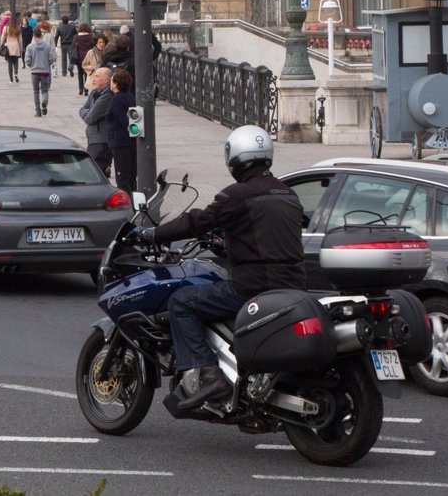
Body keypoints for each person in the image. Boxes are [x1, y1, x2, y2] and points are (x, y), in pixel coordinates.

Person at [127, 125, 305, 412]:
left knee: (182, 302)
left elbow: (196, 221)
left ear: (234, 158)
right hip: (293, 286)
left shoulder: (238, 195)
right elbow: (264, 236)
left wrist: (152, 234)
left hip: (253, 286)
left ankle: (208, 374)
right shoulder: (288, 194)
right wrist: (227, 246)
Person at [105, 69, 137, 192]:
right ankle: (134, 203)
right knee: (131, 177)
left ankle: (127, 205)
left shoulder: (117, 99)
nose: (110, 83)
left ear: (117, 83)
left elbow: (124, 121)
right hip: (130, 142)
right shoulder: (129, 96)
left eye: (112, 80)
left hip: (121, 143)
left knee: (122, 178)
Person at [79, 66, 113, 177]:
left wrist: (89, 112)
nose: (93, 79)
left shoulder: (107, 95)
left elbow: (89, 118)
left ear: (106, 80)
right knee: (97, 172)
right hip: (93, 138)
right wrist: (90, 111)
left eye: (97, 77)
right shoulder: (94, 93)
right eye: (93, 76)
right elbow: (82, 110)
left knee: (94, 173)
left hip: (101, 140)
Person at [24, 26, 54, 117]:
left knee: (36, 92)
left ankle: (38, 111)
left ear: (33, 35)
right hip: (45, 71)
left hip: (34, 72)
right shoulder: (47, 46)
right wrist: (46, 64)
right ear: (41, 35)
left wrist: (32, 65)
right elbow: (51, 58)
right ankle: (44, 102)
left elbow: (27, 60)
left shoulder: (30, 47)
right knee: (45, 90)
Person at [72, 23, 95, 95]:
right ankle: (86, 89)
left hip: (79, 56)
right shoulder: (91, 37)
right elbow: (93, 46)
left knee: (80, 73)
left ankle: (80, 89)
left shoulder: (76, 37)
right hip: (88, 57)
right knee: (87, 73)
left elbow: (73, 46)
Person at [2, 17, 23, 83]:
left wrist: (2, 44)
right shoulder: (18, 28)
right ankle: (15, 74)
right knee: (16, 62)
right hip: (16, 45)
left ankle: (11, 79)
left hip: (9, 46)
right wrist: (21, 49)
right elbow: (20, 40)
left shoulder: (6, 28)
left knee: (10, 63)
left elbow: (2, 38)